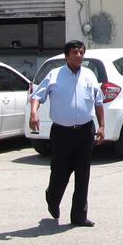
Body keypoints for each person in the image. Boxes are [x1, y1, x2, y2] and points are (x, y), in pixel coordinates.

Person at [29, 40, 105, 227]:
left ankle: (79, 216)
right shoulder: (55, 75)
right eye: (74, 52)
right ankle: (52, 198)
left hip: (85, 131)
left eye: (81, 52)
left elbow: (98, 102)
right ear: (66, 55)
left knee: (83, 174)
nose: (79, 56)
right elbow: (37, 96)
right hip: (62, 132)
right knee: (60, 172)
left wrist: (102, 126)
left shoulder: (89, 75)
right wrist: (34, 113)